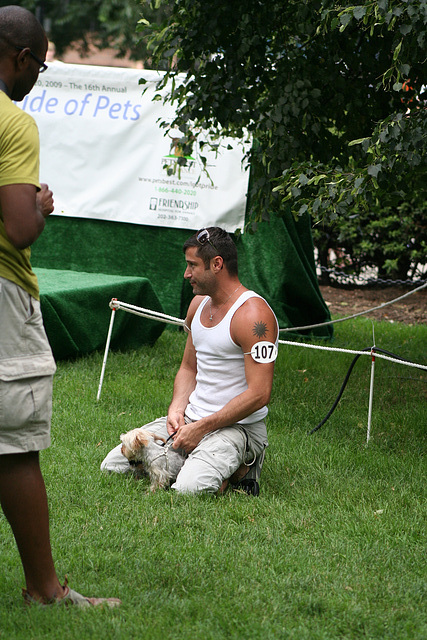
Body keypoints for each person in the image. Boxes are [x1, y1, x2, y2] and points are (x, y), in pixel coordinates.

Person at [0, 6, 120, 607]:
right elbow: (19, 229)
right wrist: (38, 205)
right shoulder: (12, 121)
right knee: (15, 444)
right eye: (39, 67)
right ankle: (45, 590)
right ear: (20, 57)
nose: (36, 78)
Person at [101, 227, 279, 495]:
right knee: (114, 464)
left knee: (188, 488)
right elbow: (188, 367)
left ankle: (241, 467)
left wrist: (201, 428)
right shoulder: (197, 305)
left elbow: (259, 394)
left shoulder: (254, 316)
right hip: (191, 420)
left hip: (238, 429)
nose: (186, 274)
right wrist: (176, 409)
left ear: (217, 264)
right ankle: (195, 462)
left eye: (192, 265)